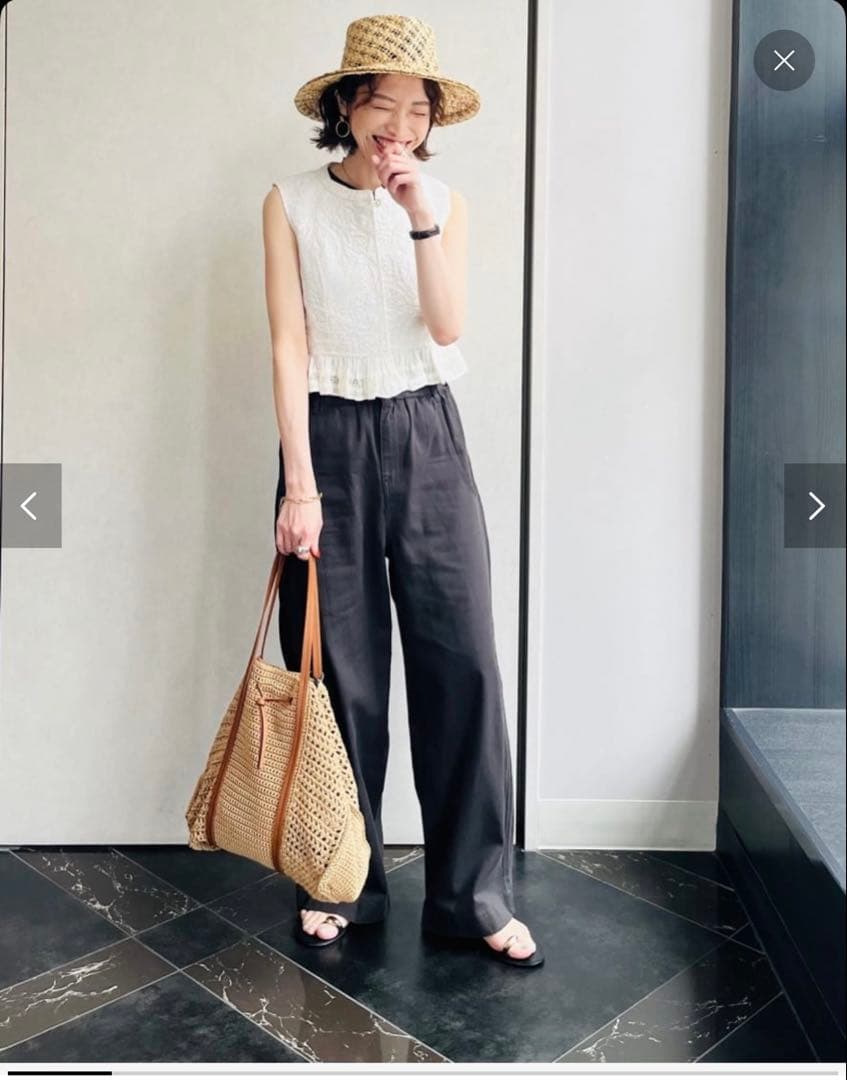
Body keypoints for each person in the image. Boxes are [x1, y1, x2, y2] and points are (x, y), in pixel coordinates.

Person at [262, 14, 543, 969]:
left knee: (462, 663)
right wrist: (299, 486)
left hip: (427, 434)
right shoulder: (289, 202)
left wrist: (418, 211)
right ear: (346, 105)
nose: (399, 125)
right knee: (339, 677)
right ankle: (339, 881)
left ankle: (474, 894)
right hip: (327, 441)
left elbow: (447, 323)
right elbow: (288, 343)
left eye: (417, 110)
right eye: (382, 103)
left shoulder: (443, 202)